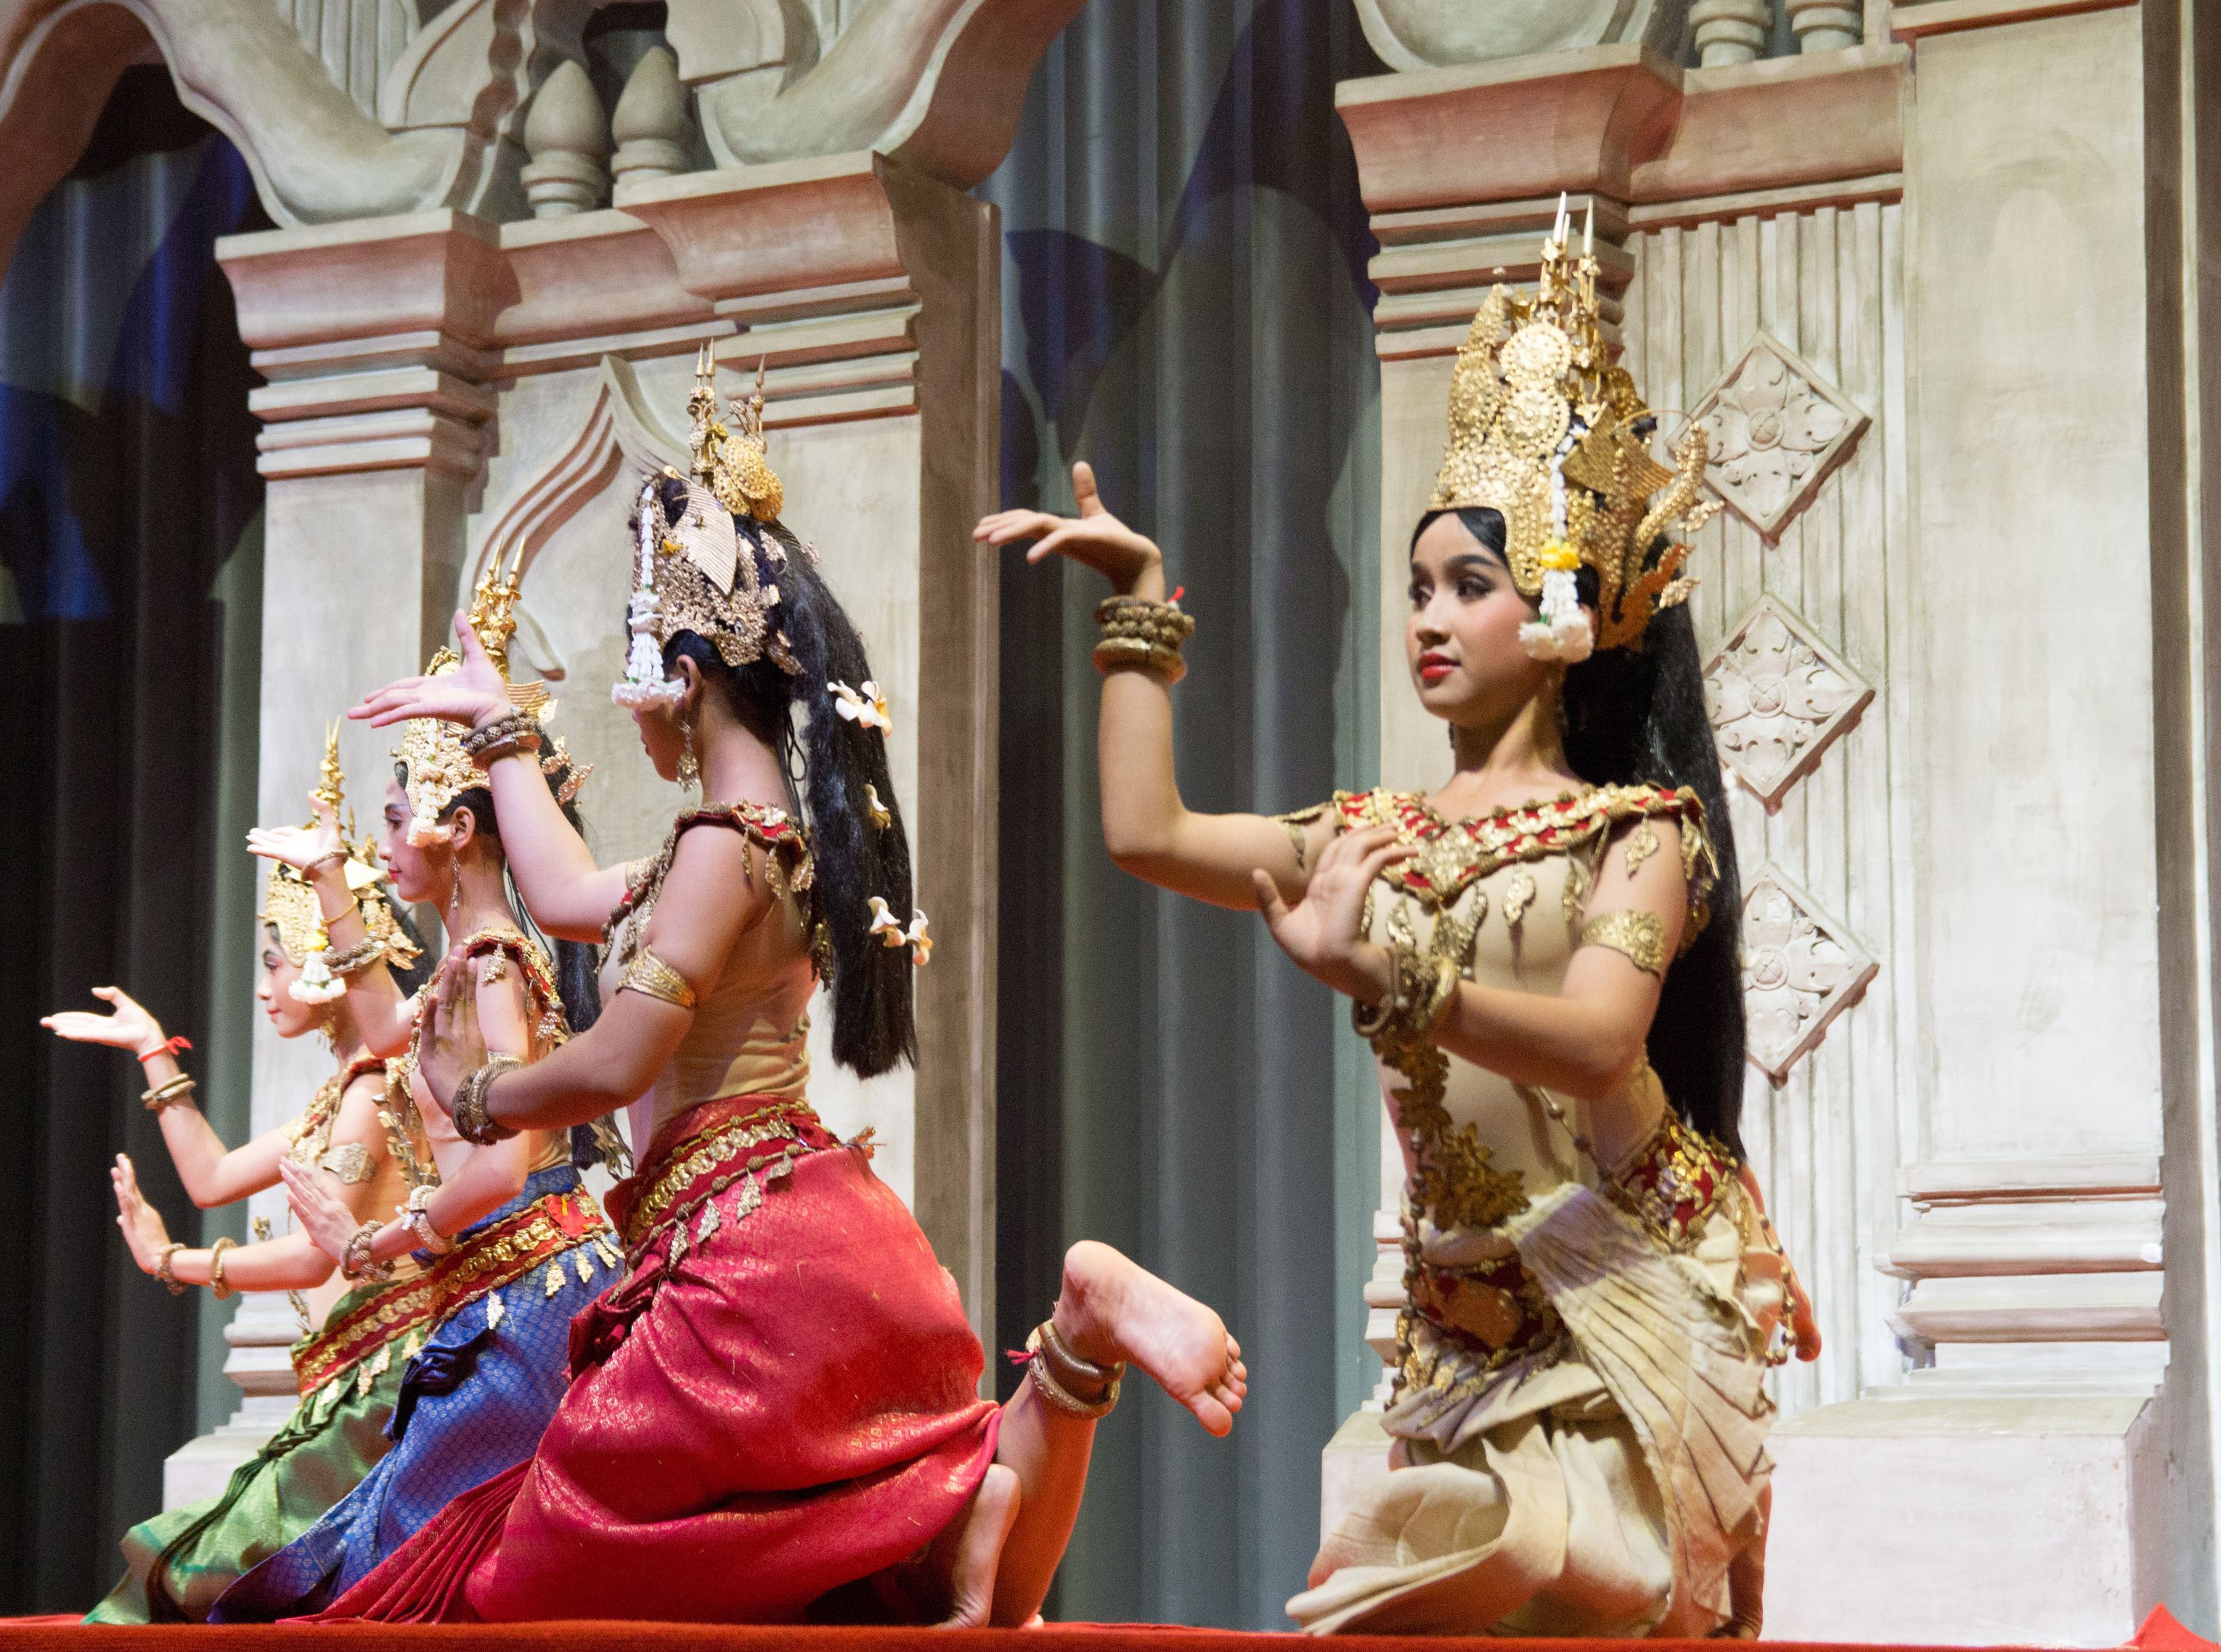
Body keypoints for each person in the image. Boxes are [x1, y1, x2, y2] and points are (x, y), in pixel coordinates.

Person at [291, 348, 1249, 1627]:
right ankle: (1072, 1336)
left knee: (544, 1566)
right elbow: (565, 892)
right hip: (809, 1232)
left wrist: (478, 1095)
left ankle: (1010, 1438)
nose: (631, 711)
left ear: (682, 681)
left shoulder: (716, 853)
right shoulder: (763, 846)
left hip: (741, 1264)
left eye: (636, 678)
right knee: (885, 1582)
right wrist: (501, 729)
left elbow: (618, 1064)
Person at [979, 208, 1819, 1637]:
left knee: (1586, 1591)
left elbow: (1598, 1042)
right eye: (1419, 587)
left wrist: (1396, 973)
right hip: (1458, 1331)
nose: (1426, 618)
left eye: (1468, 588)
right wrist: (1138, 606)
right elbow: (1146, 831)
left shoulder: (1634, 831)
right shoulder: (1376, 835)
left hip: (1620, 1307)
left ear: (1560, 615)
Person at [211, 567, 623, 1617]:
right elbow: (391, 1031)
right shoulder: (464, 963)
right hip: (492, 1288)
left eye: (396, 818)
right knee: (387, 1557)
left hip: (527, 1292)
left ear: (456, 828)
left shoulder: (490, 964)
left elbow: (501, 1162)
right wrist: (329, 882)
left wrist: (374, 1242)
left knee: (395, 1565)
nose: (383, 840)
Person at [44, 736, 427, 1624]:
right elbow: (213, 1177)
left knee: (201, 1569)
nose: (266, 985)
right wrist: (152, 1049)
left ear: (324, 964)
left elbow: (308, 1259)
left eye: (273, 961)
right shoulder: (344, 1091)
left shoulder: (374, 1090)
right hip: (353, 1373)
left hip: (388, 1378)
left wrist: (173, 1262)